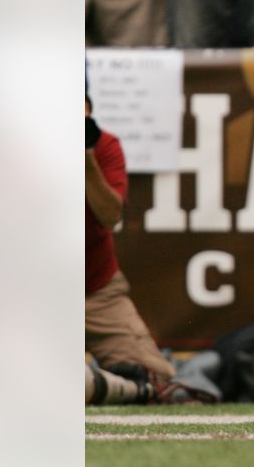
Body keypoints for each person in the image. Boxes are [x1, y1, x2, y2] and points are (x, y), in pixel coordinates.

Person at [86, 97, 177, 386]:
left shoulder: (104, 146)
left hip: (94, 290)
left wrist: (85, 161)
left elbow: (110, 216)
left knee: (155, 381)